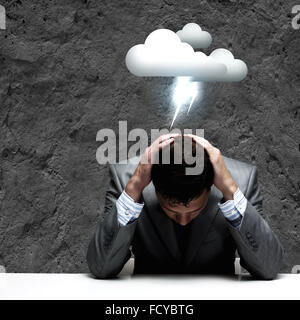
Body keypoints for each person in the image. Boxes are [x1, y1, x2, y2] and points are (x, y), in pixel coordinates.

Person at [86, 134, 283, 279]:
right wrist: (135, 186)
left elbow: (268, 268)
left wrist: (231, 190)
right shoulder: (127, 181)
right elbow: (101, 267)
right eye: (171, 211)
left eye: (194, 211)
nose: (183, 221)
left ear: (211, 186)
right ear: (154, 189)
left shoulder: (241, 181)